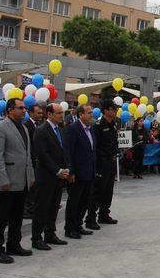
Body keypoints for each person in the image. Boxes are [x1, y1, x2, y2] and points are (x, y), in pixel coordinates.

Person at [0, 98, 35, 264]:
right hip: (7, 182)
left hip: (21, 179)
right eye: (20, 108)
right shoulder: (0, 127)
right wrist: (3, 179)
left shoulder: (23, 127)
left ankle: (14, 244)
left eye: (24, 108)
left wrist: (30, 176)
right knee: (1, 218)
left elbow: (27, 154)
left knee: (17, 216)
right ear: (9, 110)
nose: (24, 110)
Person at [31, 103, 70, 251]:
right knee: (42, 207)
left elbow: (63, 150)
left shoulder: (61, 130)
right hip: (46, 175)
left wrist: (66, 168)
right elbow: (42, 154)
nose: (61, 115)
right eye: (58, 113)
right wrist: (57, 170)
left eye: (62, 113)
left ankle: (50, 233)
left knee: (54, 206)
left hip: (59, 176)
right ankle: (36, 237)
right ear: (49, 114)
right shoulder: (41, 130)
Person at [63, 104, 96, 239]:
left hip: (89, 171)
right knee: (74, 201)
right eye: (89, 113)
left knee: (84, 201)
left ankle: (78, 225)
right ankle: (69, 228)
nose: (91, 116)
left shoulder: (91, 129)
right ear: (81, 114)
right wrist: (71, 171)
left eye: (92, 113)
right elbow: (68, 151)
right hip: (77, 172)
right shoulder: (73, 129)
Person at [86, 99, 119, 229]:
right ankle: (90, 218)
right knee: (97, 191)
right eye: (113, 109)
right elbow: (95, 146)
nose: (115, 111)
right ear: (106, 110)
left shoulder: (113, 125)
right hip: (102, 162)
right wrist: (102, 158)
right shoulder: (98, 125)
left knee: (108, 190)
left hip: (111, 161)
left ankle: (104, 214)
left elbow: (113, 142)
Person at [23, 103, 44, 219]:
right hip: (31, 160)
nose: (40, 115)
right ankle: (27, 208)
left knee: (35, 186)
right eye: (38, 113)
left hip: (38, 161)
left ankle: (32, 207)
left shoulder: (40, 125)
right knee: (30, 187)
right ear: (31, 113)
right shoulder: (27, 125)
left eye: (41, 113)